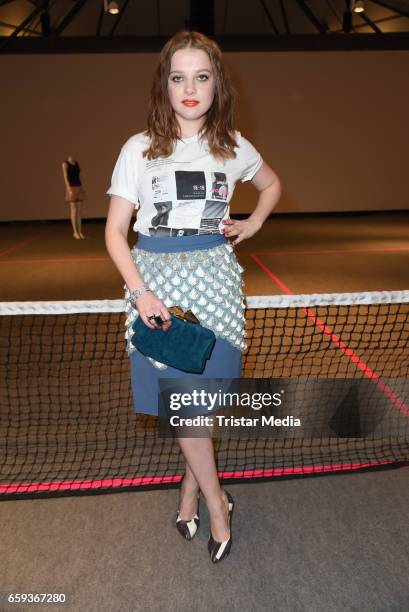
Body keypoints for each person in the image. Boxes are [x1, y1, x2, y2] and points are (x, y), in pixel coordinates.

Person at [105, 30, 281, 563]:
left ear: (216, 84)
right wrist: (142, 294)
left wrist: (250, 225)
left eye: (201, 76)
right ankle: (217, 504)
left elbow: (271, 185)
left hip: (218, 286)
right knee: (185, 410)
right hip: (158, 291)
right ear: (165, 84)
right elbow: (115, 232)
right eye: (178, 76)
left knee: (200, 408)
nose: (189, 87)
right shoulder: (138, 149)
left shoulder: (233, 147)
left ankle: (188, 493)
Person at [62, 156, 86, 239]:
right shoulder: (65, 164)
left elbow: (80, 176)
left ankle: (80, 232)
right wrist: (68, 189)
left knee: (79, 211)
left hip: (78, 186)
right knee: (73, 210)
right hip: (71, 187)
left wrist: (82, 187)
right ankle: (75, 232)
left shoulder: (76, 163)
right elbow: (65, 177)